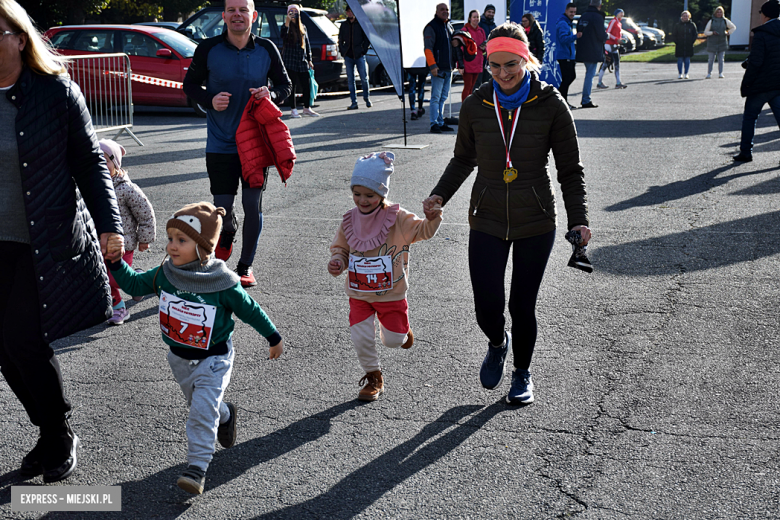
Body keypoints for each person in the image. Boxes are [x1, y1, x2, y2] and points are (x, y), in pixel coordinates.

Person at [424, 23, 591, 405]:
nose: (503, 73)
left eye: (511, 64)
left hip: (536, 218)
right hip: (487, 215)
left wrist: (578, 219)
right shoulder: (475, 105)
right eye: (495, 65)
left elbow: (570, 169)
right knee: (486, 306)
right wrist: (439, 195)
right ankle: (498, 342)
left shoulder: (551, 105)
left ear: (526, 59)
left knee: (521, 304)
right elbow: (463, 159)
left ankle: (522, 373)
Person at [0, 0, 124, 483]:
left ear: (18, 37)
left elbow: (89, 161)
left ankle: (58, 431)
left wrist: (110, 223)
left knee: (23, 339)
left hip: (43, 239)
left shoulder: (54, 92)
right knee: (3, 346)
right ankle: (50, 432)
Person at [106, 202, 284, 494]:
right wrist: (116, 262)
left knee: (200, 411)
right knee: (202, 407)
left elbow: (249, 309)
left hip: (214, 358)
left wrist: (273, 336)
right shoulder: (166, 273)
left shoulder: (222, 281)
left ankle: (197, 468)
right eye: (171, 238)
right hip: (179, 359)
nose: (172, 246)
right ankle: (225, 415)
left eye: (182, 240)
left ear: (203, 246)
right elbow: (135, 285)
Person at [183, 0, 292, 288]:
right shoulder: (208, 48)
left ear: (253, 16)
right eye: (231, 10)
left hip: (254, 142)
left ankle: (245, 266)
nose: (237, 15)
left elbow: (287, 86)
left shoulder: (266, 48)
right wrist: (209, 100)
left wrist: (272, 94)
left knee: (251, 203)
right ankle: (228, 230)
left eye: (243, 10)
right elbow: (189, 85)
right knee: (223, 208)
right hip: (220, 143)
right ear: (224, 16)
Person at [328, 152, 442, 401]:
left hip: (390, 293)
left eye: (369, 195)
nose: (362, 200)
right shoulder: (349, 218)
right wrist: (337, 261)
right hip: (359, 293)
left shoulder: (397, 217)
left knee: (393, 340)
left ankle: (402, 330)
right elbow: (341, 248)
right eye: (357, 194)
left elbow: (423, 231)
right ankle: (373, 377)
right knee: (360, 337)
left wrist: (432, 219)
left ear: (382, 193)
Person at [99, 139, 156, 325]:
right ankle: (118, 307)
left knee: (117, 280)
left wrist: (144, 239)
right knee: (102, 278)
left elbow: (146, 214)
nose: (100, 165)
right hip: (98, 244)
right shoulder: (91, 189)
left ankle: (136, 279)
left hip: (123, 245)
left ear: (115, 163)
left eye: (105, 160)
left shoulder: (126, 188)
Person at [734, 0, 780, 163]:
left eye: (761, 13)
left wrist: (747, 83)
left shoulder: (761, 33)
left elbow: (756, 62)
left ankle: (746, 152)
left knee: (750, 118)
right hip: (778, 84)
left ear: (765, 15)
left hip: (761, 85)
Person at [282, 4, 319, 118]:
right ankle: (293, 109)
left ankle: (307, 108)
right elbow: (283, 37)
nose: (293, 13)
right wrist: (287, 22)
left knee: (306, 85)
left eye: (295, 11)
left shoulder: (302, 26)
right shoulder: (285, 26)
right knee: (292, 86)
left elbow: (307, 44)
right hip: (290, 60)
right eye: (291, 11)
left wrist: (309, 59)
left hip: (302, 60)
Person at [424, 3, 455, 133]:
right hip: (438, 68)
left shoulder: (448, 26)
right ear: (436, 11)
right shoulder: (431, 27)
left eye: (447, 9)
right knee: (436, 97)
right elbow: (428, 48)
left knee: (443, 97)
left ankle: (440, 122)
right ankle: (434, 124)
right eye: (442, 9)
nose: (445, 11)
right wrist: (433, 66)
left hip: (448, 68)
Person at [338, 6, 371, 110]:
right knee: (350, 80)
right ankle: (354, 102)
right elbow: (340, 39)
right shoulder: (344, 25)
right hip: (348, 55)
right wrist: (343, 51)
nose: (350, 13)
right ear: (347, 13)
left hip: (359, 55)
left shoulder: (361, 24)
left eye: (351, 11)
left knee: (364, 78)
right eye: (348, 11)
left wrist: (363, 51)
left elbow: (367, 39)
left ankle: (366, 97)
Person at [575, 0, 606, 108]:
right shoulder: (598, 17)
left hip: (583, 49)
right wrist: (606, 36)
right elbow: (601, 35)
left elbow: (579, 30)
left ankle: (585, 99)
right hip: (593, 49)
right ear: (600, 6)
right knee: (590, 75)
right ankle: (585, 100)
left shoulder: (584, 16)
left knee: (588, 74)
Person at [555, 3, 582, 107]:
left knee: (570, 77)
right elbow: (563, 39)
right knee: (568, 78)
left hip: (568, 55)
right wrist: (576, 36)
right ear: (566, 11)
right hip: (564, 55)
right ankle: (561, 101)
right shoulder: (563, 23)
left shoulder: (567, 22)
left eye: (574, 12)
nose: (573, 14)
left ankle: (560, 100)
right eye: (571, 12)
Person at [457, 10, 487, 101]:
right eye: (474, 17)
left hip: (478, 62)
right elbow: (460, 50)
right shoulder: (464, 31)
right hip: (468, 63)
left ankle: (469, 107)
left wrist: (484, 47)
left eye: (477, 17)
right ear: (469, 18)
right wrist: (460, 65)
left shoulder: (481, 31)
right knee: (468, 86)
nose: (476, 19)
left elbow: (485, 48)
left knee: (473, 87)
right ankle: (465, 107)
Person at [596, 8, 627, 89]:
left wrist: (620, 39)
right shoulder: (613, 21)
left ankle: (618, 82)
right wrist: (616, 39)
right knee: (606, 63)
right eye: (621, 13)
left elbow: (617, 34)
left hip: (615, 45)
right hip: (609, 44)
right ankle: (599, 82)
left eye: (623, 13)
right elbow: (608, 32)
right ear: (616, 14)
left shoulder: (619, 23)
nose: (622, 15)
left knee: (617, 64)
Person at [704, 6, 736, 79]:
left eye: (720, 12)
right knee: (711, 59)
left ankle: (721, 73)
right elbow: (706, 32)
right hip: (712, 42)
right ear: (715, 13)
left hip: (722, 42)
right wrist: (712, 32)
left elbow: (733, 27)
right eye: (718, 12)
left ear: (722, 13)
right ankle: (709, 73)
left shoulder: (725, 20)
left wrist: (728, 32)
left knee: (721, 59)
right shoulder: (711, 21)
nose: (719, 13)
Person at [673, 11, 698, 79]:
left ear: (689, 17)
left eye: (686, 16)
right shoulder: (677, 25)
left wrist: (691, 42)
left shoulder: (692, 25)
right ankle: (680, 73)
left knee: (687, 60)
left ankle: (686, 73)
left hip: (688, 45)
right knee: (680, 60)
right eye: (684, 16)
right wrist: (677, 42)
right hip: (680, 45)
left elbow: (695, 34)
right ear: (681, 17)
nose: (685, 17)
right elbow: (674, 35)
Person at [479, 4, 498, 85]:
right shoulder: (479, 23)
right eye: (489, 12)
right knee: (478, 82)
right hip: (479, 56)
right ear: (485, 12)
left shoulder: (494, 25)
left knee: (488, 82)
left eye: (493, 12)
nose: (491, 14)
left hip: (490, 56)